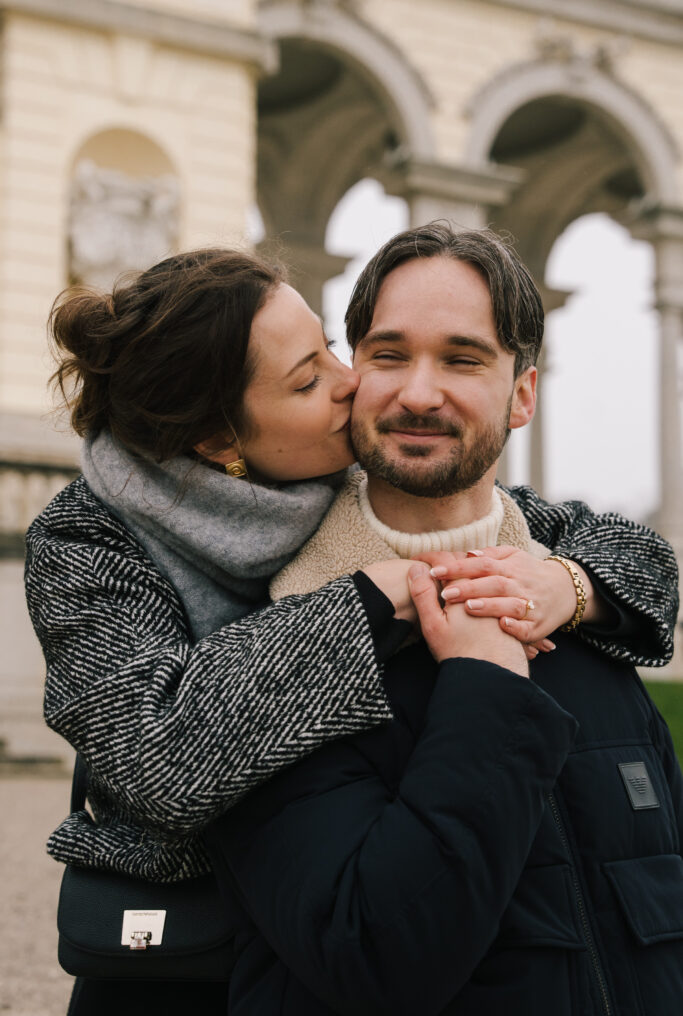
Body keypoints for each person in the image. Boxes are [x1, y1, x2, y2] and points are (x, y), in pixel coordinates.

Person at [24, 245, 676, 1015]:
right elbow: (154, 759)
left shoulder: (352, 474)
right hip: (177, 960)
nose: (353, 383)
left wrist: (568, 583)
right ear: (221, 443)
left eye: (331, 349)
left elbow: (624, 551)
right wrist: (383, 591)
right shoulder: (94, 540)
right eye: (311, 377)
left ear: (520, 392)